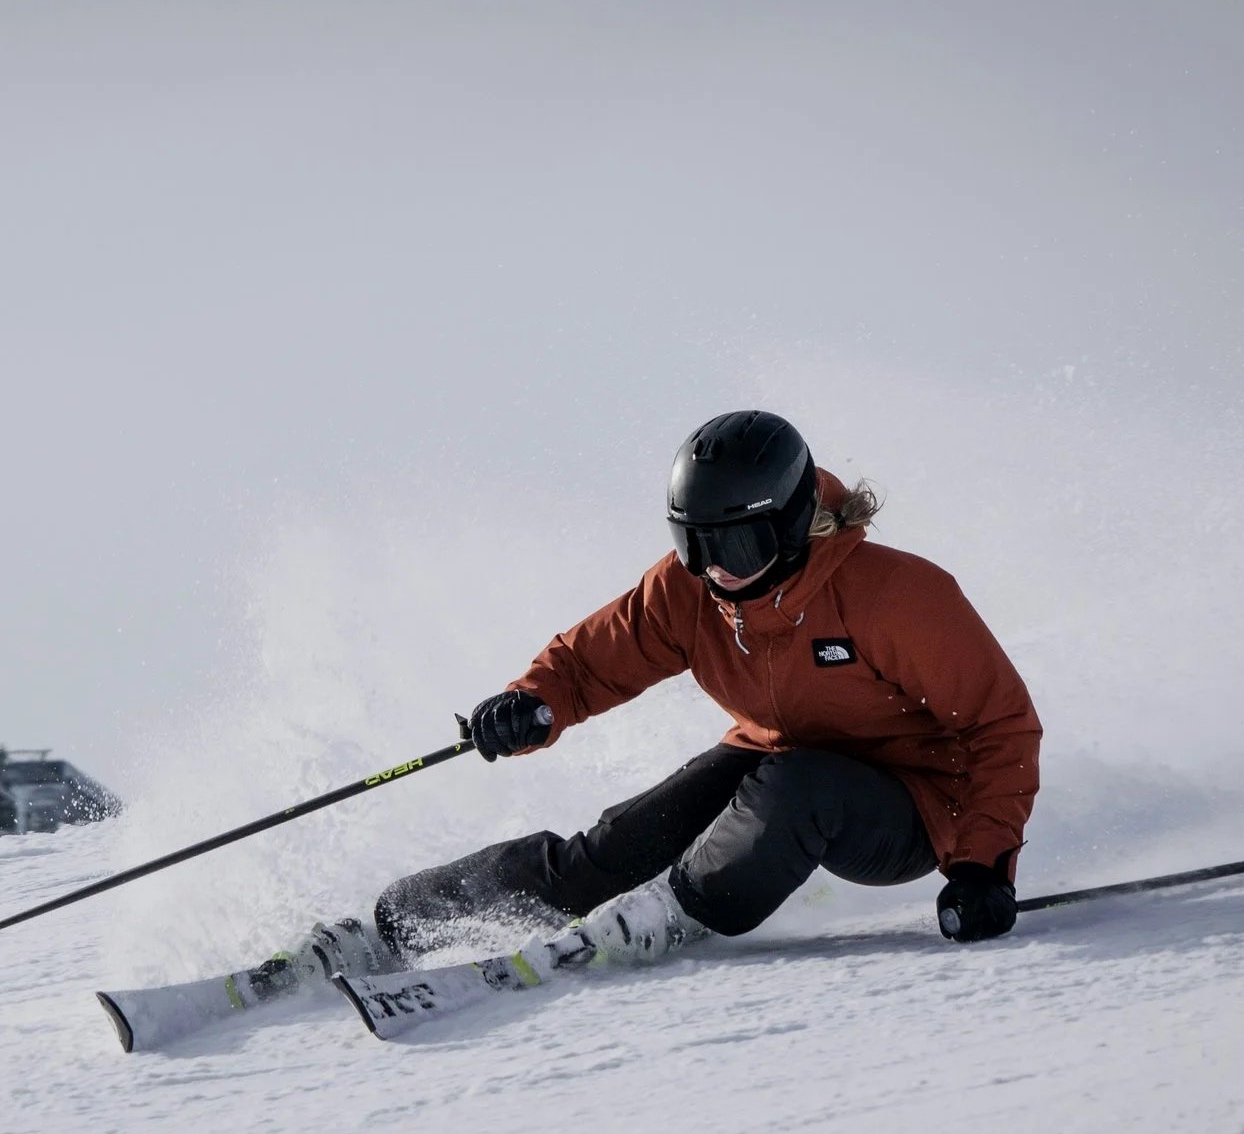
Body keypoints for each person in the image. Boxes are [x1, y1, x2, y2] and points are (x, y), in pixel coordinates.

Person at [306, 411, 1041, 979]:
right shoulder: (691, 592)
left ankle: (669, 913)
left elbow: (1000, 728)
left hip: (911, 805)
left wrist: (982, 867)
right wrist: (532, 703)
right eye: (696, 544)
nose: (715, 569)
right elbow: (590, 662)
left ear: (789, 526)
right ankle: (396, 925)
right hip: (771, 761)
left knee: (799, 784)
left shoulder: (896, 596)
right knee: (612, 850)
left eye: (737, 546)